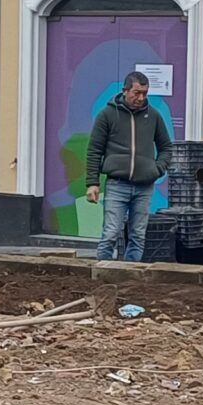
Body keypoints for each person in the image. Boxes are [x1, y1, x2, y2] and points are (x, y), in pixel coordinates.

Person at [84, 70, 172, 262]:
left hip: (145, 185)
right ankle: (103, 272)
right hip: (117, 184)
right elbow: (94, 150)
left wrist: (157, 169)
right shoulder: (107, 115)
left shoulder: (154, 116)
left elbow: (166, 147)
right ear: (125, 91)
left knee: (138, 235)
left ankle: (130, 275)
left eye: (145, 93)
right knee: (111, 233)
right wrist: (93, 182)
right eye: (137, 93)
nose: (141, 98)